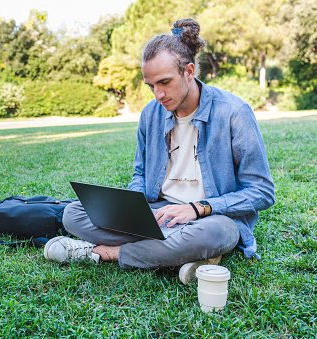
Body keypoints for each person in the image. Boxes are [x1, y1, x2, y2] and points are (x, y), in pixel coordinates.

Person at [43, 18, 275, 284]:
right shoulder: (150, 114)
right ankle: (183, 254)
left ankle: (104, 253)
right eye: (151, 85)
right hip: (159, 214)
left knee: (215, 235)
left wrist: (199, 208)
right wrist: (131, 210)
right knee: (74, 213)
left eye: (164, 82)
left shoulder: (234, 112)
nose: (158, 95)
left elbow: (262, 192)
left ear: (189, 72)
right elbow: (140, 172)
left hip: (211, 218)